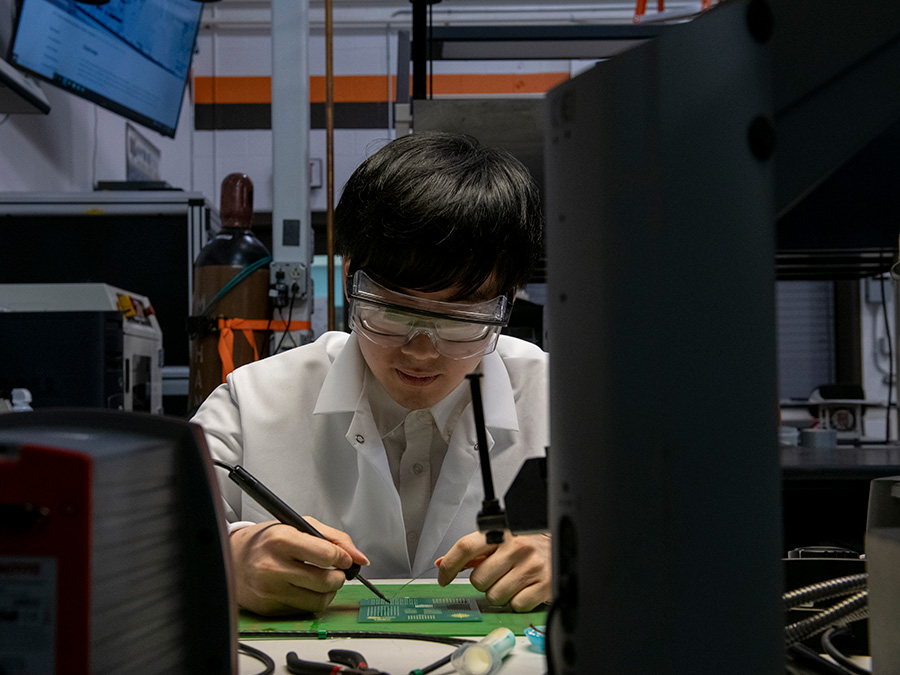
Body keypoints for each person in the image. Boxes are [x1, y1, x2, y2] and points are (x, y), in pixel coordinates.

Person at [191, 131, 550, 617]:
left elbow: (650, 536)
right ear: (348, 279)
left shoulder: (561, 402)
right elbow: (132, 546)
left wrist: (574, 558)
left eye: (459, 320)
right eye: (392, 311)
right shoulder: (252, 403)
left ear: (507, 302)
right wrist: (227, 559)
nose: (421, 351)